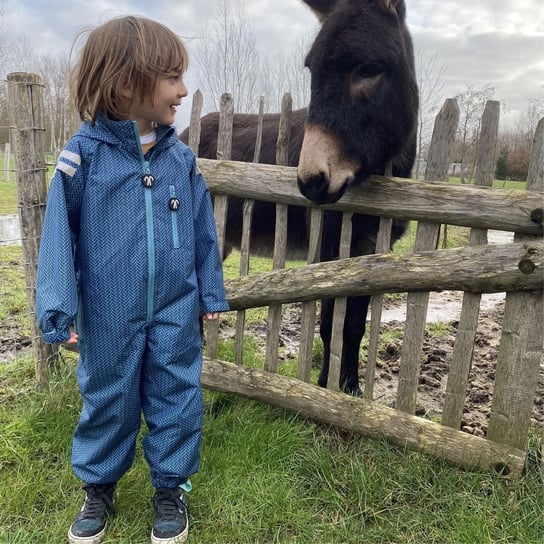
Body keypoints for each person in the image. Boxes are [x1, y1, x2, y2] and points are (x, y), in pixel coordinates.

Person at [35, 15, 229, 544]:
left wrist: (210, 289)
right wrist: (58, 307)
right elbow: (57, 237)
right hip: (108, 310)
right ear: (127, 84)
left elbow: (201, 231)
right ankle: (98, 487)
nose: (183, 91)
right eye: (172, 77)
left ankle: (170, 489)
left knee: (177, 394)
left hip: (173, 309)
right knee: (108, 398)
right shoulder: (83, 160)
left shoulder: (182, 161)